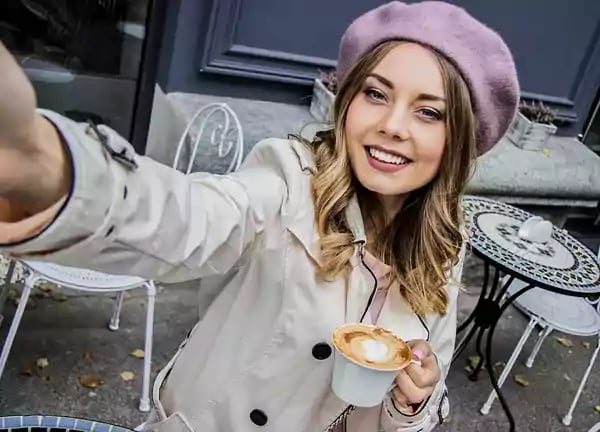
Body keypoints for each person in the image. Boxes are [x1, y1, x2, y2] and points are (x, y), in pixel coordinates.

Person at [0, 1, 519, 431]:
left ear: (458, 144)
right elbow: (191, 219)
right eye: (375, 94)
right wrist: (53, 170)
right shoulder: (290, 179)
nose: (392, 125)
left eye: (428, 112)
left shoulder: (445, 247)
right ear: (346, 103)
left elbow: (425, 390)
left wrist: (413, 404)